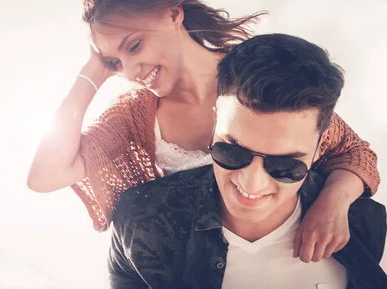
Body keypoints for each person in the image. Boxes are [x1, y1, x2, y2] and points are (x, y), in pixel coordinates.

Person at [27, 0, 380, 262]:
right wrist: (92, 73)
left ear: (173, 13)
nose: (131, 70)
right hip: (200, 272)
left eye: (134, 46)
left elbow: (352, 153)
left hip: (297, 257)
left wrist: (334, 201)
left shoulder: (251, 77)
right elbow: (45, 176)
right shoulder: (133, 118)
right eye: (114, 62)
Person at [108, 33, 387, 289]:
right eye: (233, 152)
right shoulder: (140, 228)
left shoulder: (360, 223)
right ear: (216, 120)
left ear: (320, 145)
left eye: (285, 165)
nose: (251, 182)